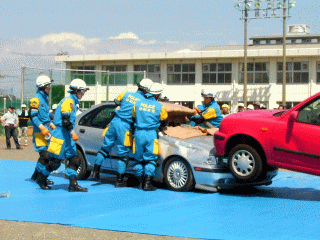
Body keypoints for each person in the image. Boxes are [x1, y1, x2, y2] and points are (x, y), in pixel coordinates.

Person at [91, 78, 153, 188]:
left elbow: (116, 102)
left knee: (105, 148)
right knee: (123, 155)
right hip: (125, 126)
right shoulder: (143, 101)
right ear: (146, 91)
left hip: (114, 122)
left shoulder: (126, 93)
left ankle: (95, 172)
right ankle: (119, 181)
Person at [45, 79, 89, 192]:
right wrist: (73, 132)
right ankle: (41, 178)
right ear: (76, 91)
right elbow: (65, 121)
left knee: (75, 159)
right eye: (82, 92)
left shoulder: (73, 101)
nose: (83, 94)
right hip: (60, 134)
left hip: (67, 135)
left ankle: (73, 184)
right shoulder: (68, 101)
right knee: (55, 162)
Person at [132, 83, 168, 191]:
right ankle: (148, 184)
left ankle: (140, 183)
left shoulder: (137, 103)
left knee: (138, 159)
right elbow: (164, 120)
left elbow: (133, 117)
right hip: (151, 134)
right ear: (157, 95)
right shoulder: (160, 106)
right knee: (151, 159)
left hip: (138, 133)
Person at [29, 75, 55, 187]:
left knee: (46, 155)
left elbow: (45, 116)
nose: (50, 88)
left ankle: (36, 176)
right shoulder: (36, 99)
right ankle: (40, 178)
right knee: (45, 156)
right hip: (40, 132)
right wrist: (42, 127)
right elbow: (33, 116)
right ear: (43, 87)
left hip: (46, 130)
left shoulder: (45, 98)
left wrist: (50, 124)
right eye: (48, 86)